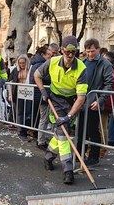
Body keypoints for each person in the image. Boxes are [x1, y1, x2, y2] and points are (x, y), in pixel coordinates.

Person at [34, 35, 88, 184]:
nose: (70, 55)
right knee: (63, 135)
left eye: (74, 52)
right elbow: (37, 75)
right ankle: (68, 170)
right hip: (55, 101)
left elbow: (81, 97)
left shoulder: (82, 69)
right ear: (62, 50)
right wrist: (43, 91)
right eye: (67, 52)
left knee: (60, 133)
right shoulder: (52, 62)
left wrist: (69, 116)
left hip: (72, 102)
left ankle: (48, 156)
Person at [76, 38, 114, 168]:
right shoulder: (83, 62)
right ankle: (78, 153)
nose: (90, 54)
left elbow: (109, 84)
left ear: (98, 49)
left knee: (93, 130)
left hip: (94, 102)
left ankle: (94, 156)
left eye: (93, 51)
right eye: (88, 51)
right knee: (80, 129)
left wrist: (100, 100)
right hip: (81, 101)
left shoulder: (105, 64)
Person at [28, 45, 54, 148]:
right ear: (42, 54)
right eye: (48, 54)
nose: (50, 56)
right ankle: (41, 140)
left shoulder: (36, 63)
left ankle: (41, 138)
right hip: (43, 95)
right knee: (44, 118)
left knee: (44, 118)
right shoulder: (42, 64)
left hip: (42, 94)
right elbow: (46, 78)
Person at [8, 54, 31, 140]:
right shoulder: (15, 70)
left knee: (27, 112)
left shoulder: (30, 70)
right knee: (19, 112)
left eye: (23, 63)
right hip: (17, 93)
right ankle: (20, 130)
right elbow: (10, 83)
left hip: (28, 93)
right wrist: (10, 94)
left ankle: (25, 129)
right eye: (20, 63)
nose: (22, 65)